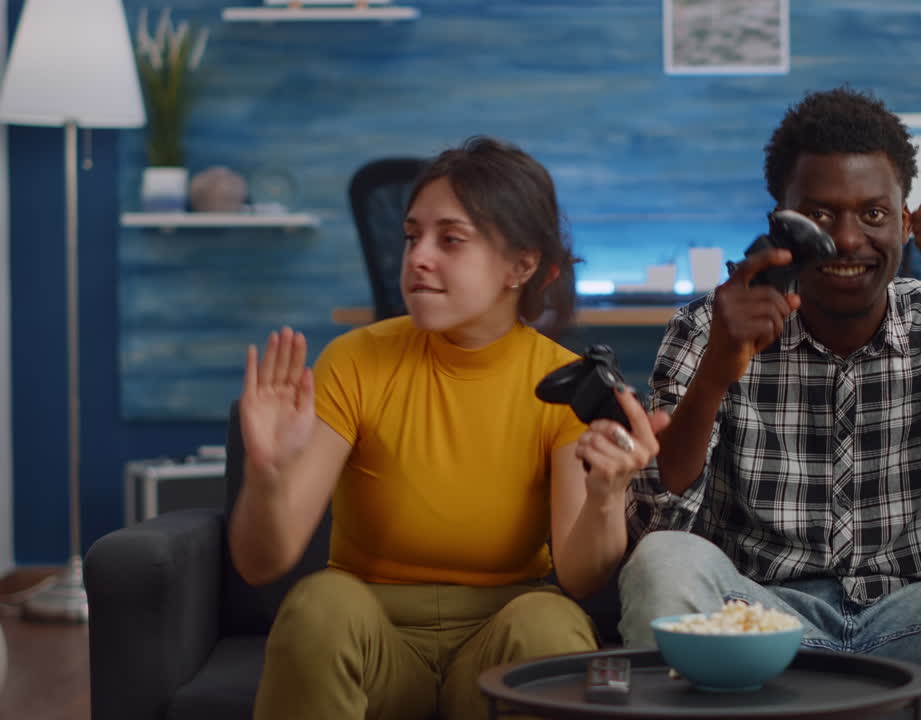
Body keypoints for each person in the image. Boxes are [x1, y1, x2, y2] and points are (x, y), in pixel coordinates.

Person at [621, 88, 921, 720]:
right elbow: (652, 532)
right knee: (665, 561)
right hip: (759, 618)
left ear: (906, 222)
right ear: (782, 222)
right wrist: (719, 364)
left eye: (874, 214)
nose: (848, 239)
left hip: (919, 613)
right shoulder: (709, 327)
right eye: (821, 216)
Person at [230, 136, 669, 720]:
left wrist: (608, 495)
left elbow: (582, 576)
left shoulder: (565, 384)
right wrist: (266, 475)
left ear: (523, 264)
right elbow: (263, 563)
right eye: (412, 236)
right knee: (319, 604)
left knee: (552, 621)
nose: (417, 258)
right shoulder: (355, 360)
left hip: (497, 644)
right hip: (372, 636)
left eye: (451, 240)